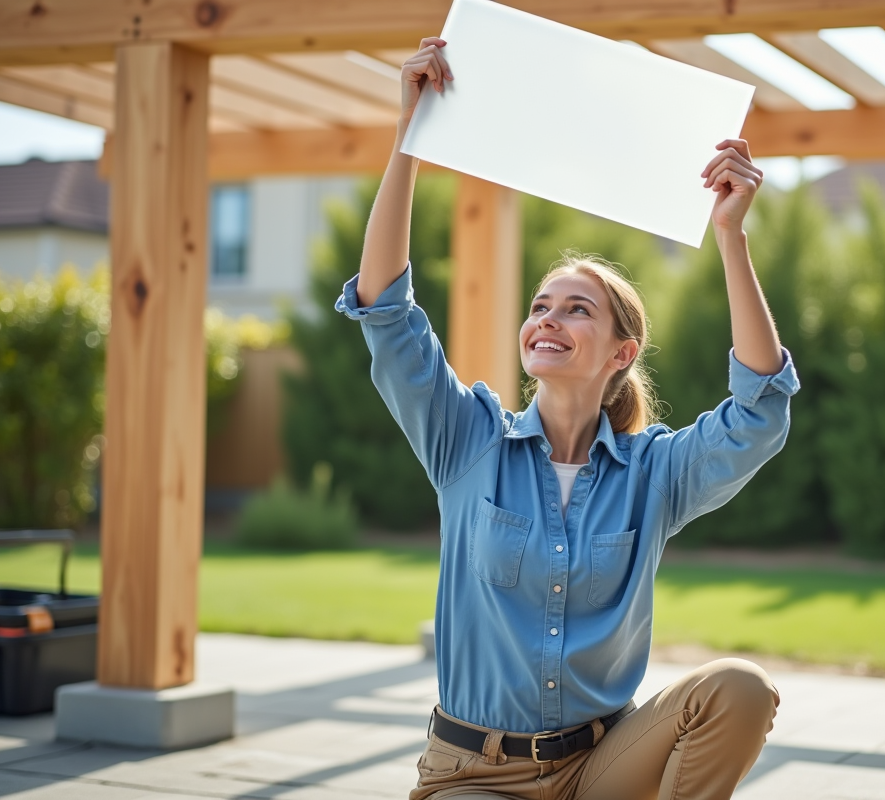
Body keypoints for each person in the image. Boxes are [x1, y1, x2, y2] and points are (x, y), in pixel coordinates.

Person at [336, 36, 799, 800]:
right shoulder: (467, 440)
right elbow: (387, 311)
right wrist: (409, 138)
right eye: (539, 305)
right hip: (472, 774)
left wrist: (730, 237)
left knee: (739, 690)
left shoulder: (654, 474)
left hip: (598, 769)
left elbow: (760, 413)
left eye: (576, 309)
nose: (548, 318)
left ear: (622, 353)